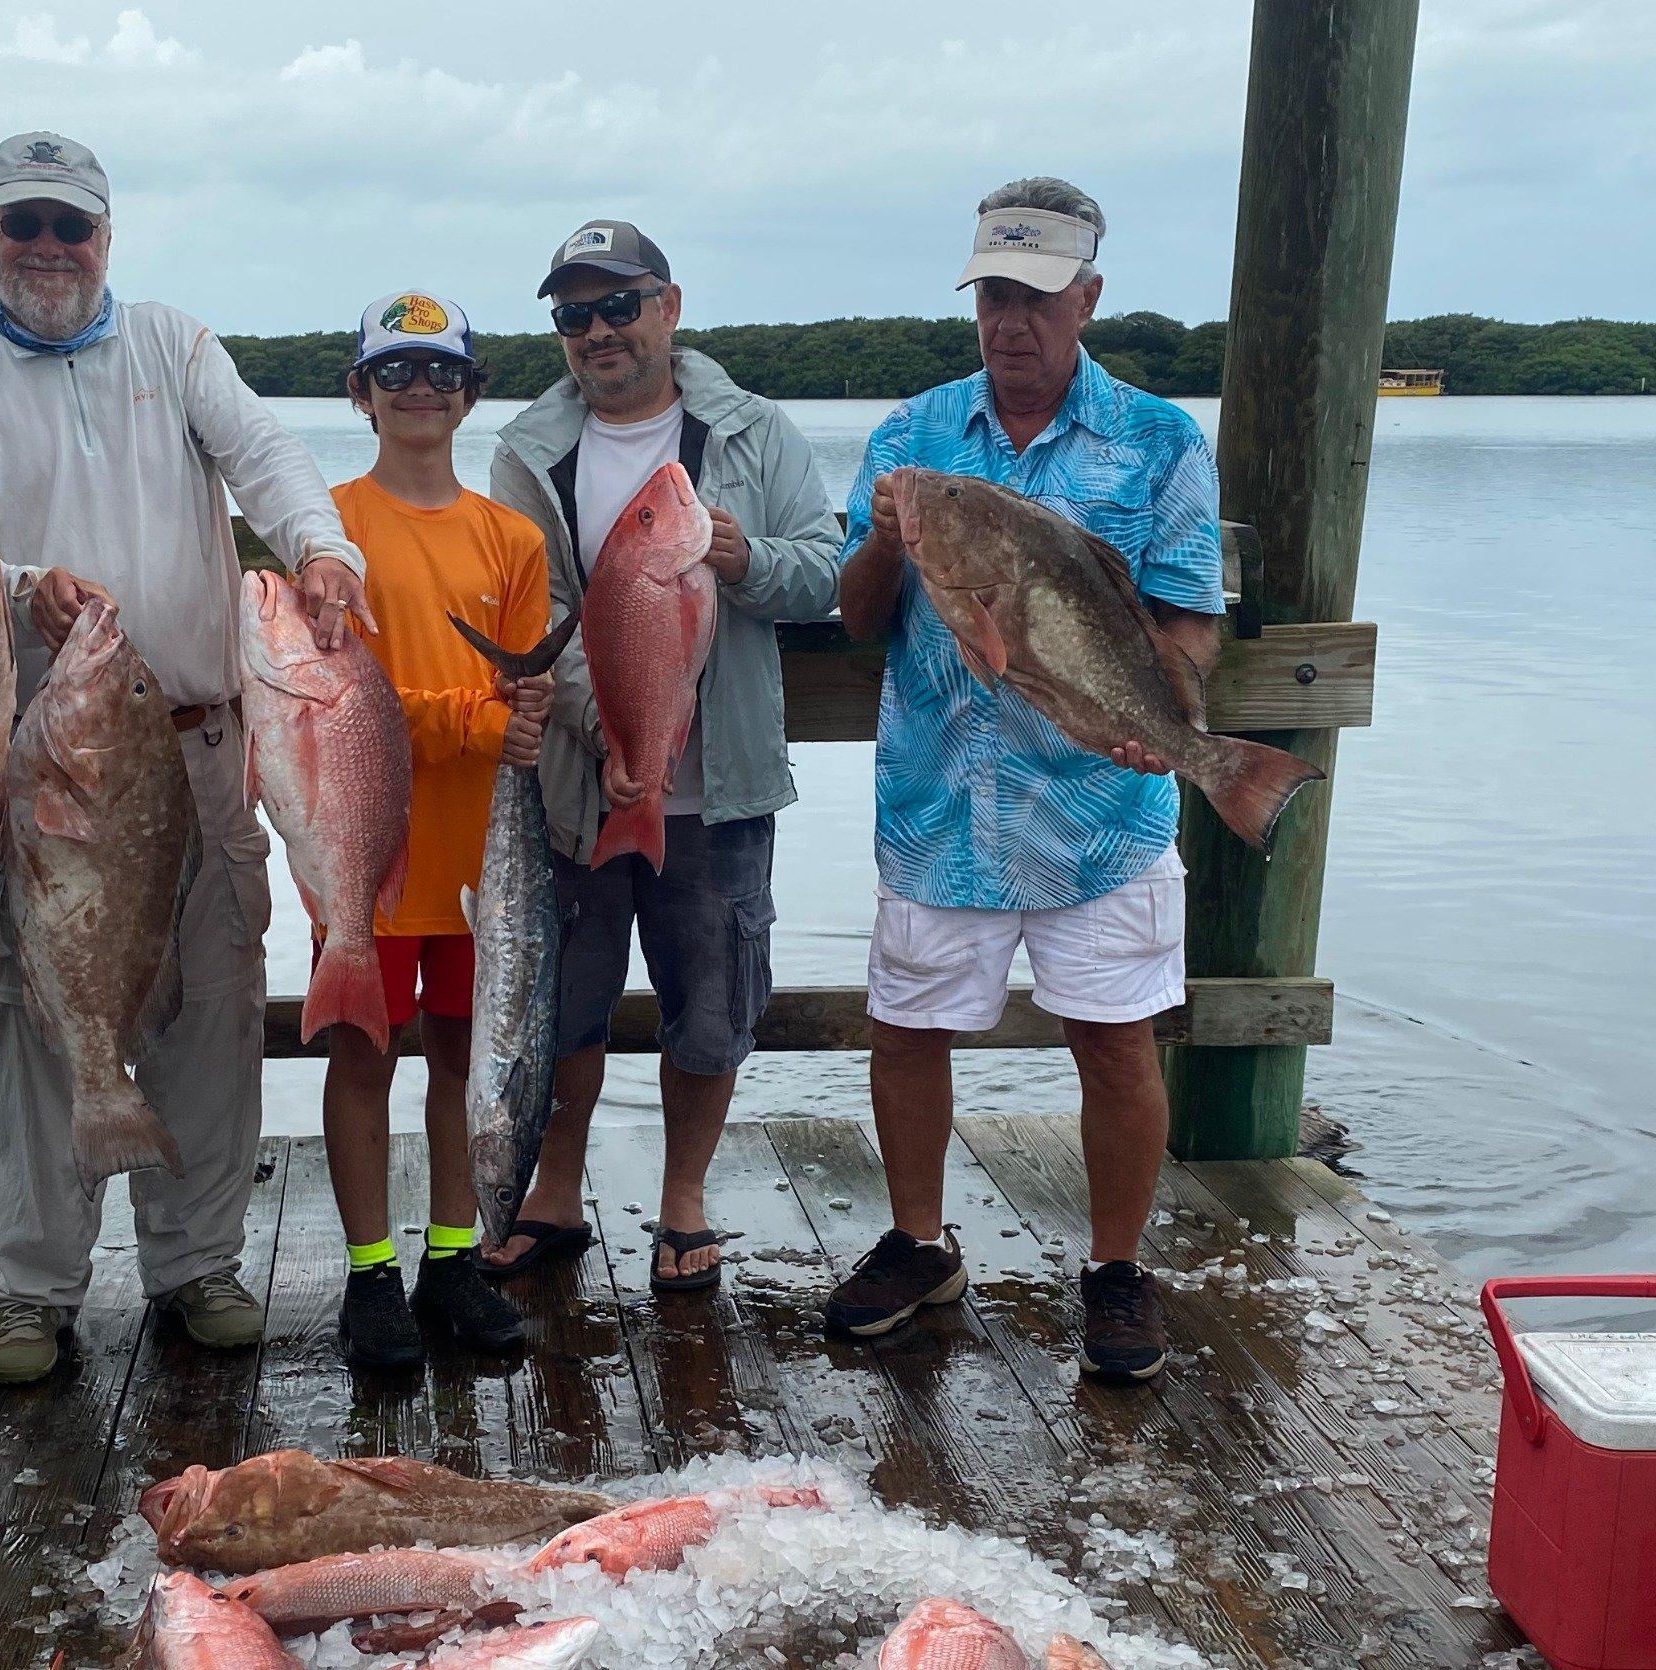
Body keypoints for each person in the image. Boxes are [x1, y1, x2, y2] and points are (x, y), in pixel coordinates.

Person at [0, 133, 372, 1386]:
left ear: (108, 237)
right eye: (24, 226)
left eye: (73, 227)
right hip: (44, 761)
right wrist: (14, 588)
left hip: (201, 748)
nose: (49, 249)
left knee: (212, 1006)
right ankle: (31, 1287)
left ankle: (198, 1263)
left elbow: (267, 456)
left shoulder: (175, 344)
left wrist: (323, 551)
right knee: (33, 1010)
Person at [826, 178, 1221, 1380]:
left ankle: (1111, 1267)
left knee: (1115, 1043)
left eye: (1039, 297)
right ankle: (917, 1240)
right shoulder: (910, 439)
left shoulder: (1161, 441)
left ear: (1088, 298)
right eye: (996, 293)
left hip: (1101, 811)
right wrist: (891, 539)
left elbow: (1188, 620)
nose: (1014, 321)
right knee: (907, 1032)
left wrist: (1171, 723)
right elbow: (855, 619)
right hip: (940, 805)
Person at [480, 220, 839, 1293]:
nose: (597, 331)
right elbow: (533, 613)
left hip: (719, 787)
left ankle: (684, 1195)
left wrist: (745, 556)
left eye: (617, 306)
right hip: (585, 786)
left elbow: (824, 570)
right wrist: (610, 739)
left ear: (668, 307)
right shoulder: (525, 450)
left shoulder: (753, 430)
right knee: (568, 1001)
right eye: (574, 315)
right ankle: (554, 1188)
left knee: (712, 1004)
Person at [316, 292, 552, 1370]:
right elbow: (335, 694)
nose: (421, 392)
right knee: (364, 1056)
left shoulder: (511, 539)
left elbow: (522, 698)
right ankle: (370, 1273)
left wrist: (521, 718)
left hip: (480, 861)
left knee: (465, 1055)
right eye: (396, 373)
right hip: (364, 848)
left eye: (441, 374)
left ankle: (452, 1259)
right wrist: (471, 717)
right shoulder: (328, 531)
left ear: (473, 395)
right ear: (359, 394)